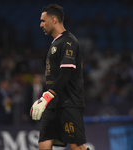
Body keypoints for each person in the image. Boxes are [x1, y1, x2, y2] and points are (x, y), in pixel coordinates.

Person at [30, 4, 89, 150]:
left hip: (69, 103)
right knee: (44, 144)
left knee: (77, 147)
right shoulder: (55, 42)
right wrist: (48, 99)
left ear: (54, 20)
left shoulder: (68, 41)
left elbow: (65, 74)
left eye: (43, 21)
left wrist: (46, 96)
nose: (41, 24)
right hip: (53, 104)